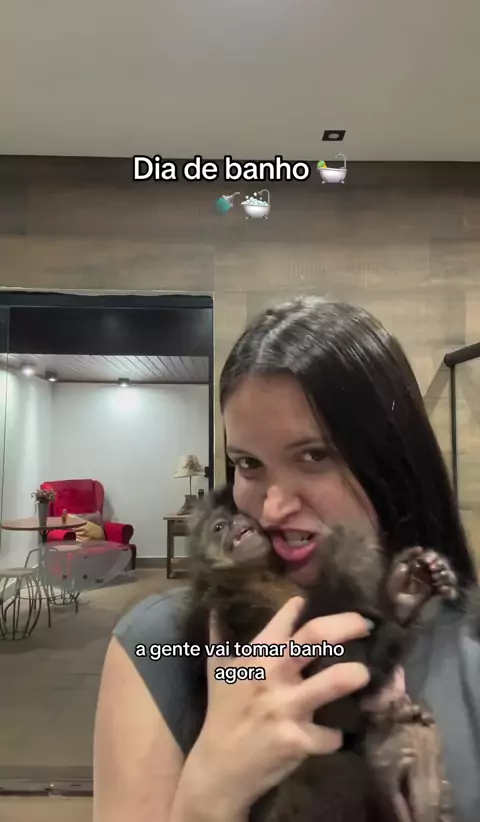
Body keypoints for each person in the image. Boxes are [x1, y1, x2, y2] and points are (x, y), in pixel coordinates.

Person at [93, 296, 480, 822]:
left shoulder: (465, 648)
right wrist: (209, 796)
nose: (272, 509)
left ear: (390, 460)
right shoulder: (161, 643)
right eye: (248, 464)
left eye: (315, 456)